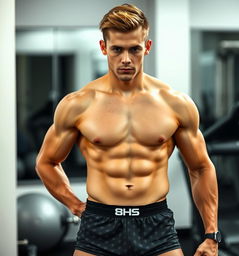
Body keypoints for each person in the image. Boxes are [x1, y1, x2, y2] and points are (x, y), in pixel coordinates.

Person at [35, 4, 219, 256]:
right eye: (117, 49)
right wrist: (75, 205)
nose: (125, 59)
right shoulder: (77, 104)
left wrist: (211, 234)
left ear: (147, 47)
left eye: (134, 49)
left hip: (155, 223)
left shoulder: (175, 103)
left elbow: (200, 167)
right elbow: (46, 162)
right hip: (99, 224)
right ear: (103, 48)